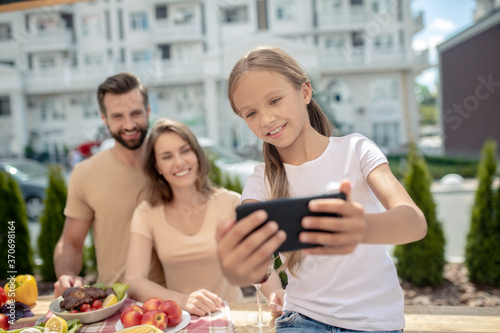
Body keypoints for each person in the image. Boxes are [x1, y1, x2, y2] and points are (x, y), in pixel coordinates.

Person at [216, 47, 427, 332]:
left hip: (376, 322)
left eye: (275, 100)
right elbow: (258, 266)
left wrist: (363, 227)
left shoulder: (356, 150)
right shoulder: (261, 179)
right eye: (251, 113)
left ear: (304, 92)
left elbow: (414, 222)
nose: (265, 119)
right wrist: (241, 266)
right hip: (302, 319)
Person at [53, 73, 165, 297]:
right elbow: (71, 242)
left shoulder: (170, 166)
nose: (130, 124)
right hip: (113, 305)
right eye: (118, 116)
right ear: (104, 119)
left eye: (136, 113)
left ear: (148, 111)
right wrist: (66, 274)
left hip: (173, 303)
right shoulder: (85, 173)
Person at [124, 118, 245, 316]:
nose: (179, 162)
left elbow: (265, 265)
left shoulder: (230, 202)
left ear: (197, 155)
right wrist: (183, 300)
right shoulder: (146, 214)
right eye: (167, 156)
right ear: (157, 167)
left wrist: (277, 296)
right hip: (182, 319)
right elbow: (133, 280)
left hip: (233, 315)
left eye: (185, 150)